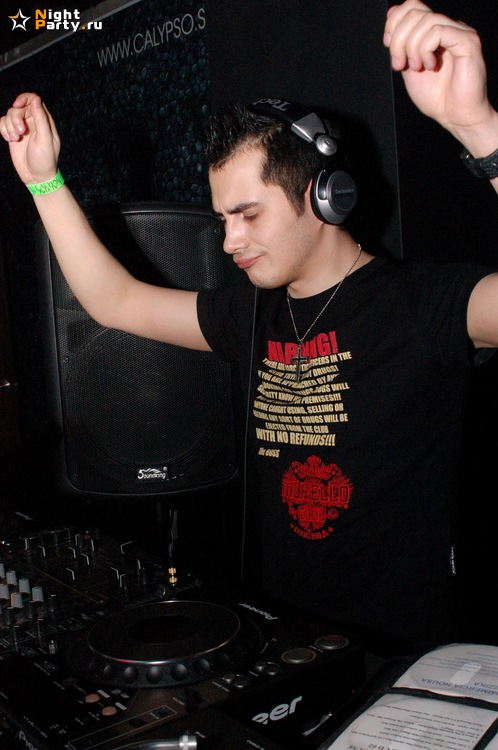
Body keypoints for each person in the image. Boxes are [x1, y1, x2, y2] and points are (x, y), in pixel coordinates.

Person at [2, 0, 498, 655]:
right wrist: (44, 182)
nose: (229, 240)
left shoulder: (422, 304)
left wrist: (478, 126)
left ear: (325, 197)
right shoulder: (250, 313)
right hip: (289, 643)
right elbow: (114, 302)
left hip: (400, 654)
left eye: (248, 214)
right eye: (223, 219)